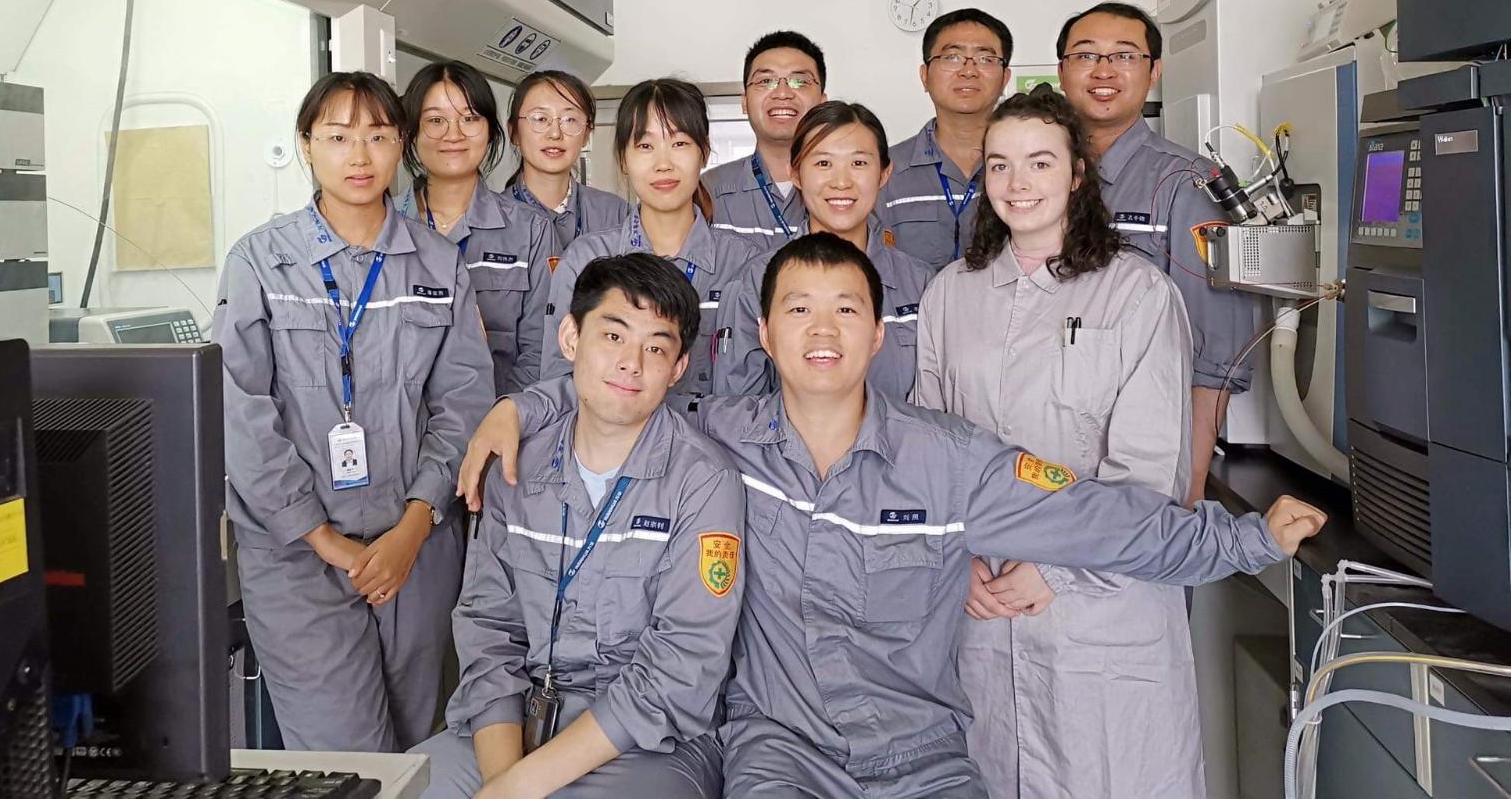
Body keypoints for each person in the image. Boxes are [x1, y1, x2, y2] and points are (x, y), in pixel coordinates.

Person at [462, 234, 1328, 797]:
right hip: (780, 757)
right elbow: (618, 393)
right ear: (764, 334)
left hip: (926, 763)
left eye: (848, 309)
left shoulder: (952, 461)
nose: (823, 330)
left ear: (880, 335)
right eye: (799, 309)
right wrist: (521, 410)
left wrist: (1247, 537)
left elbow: (1105, 520)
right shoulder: (716, 442)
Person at [915, 87, 1204, 798]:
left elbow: (1150, 472)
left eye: (1040, 163)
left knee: (1111, 775)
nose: (1019, 185)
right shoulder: (951, 294)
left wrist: (1056, 572)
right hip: (981, 606)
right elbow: (927, 449)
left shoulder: (1136, 294)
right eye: (1000, 166)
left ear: (1078, 173)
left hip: (1099, 611)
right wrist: (958, 565)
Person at [214, 71, 496, 752]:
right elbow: (238, 410)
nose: (360, 155)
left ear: (401, 147)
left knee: (419, 746)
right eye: (338, 137)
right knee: (348, 759)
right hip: (299, 558)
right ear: (307, 147)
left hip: (416, 549)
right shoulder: (261, 261)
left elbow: (463, 403)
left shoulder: (436, 264)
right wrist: (321, 538)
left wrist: (414, 526)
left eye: (377, 136)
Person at [412, 255, 745, 798]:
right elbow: (487, 631)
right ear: (571, 337)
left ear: (679, 367)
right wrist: (503, 781)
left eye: (656, 347)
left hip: (645, 744)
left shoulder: (704, 482)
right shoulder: (514, 467)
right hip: (514, 725)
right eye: (612, 336)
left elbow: (679, 668)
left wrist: (521, 788)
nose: (631, 363)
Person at [1055, 2, 1260, 504]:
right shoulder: (1036, 174)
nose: (1103, 71)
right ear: (1061, 71)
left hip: (1145, 447)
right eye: (1086, 56)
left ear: (1154, 72)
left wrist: (1186, 488)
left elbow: (1216, 356)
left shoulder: (1187, 184)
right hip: (1050, 440)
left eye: (1123, 56)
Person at [543, 79, 758, 406]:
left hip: (717, 451)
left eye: (680, 143)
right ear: (624, 160)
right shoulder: (586, 259)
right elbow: (558, 384)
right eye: (645, 146)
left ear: (704, 152)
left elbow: (757, 394)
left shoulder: (744, 264)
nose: (663, 163)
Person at [712, 100, 935, 401]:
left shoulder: (921, 284)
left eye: (858, 163)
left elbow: (934, 405)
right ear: (796, 174)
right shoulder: (755, 282)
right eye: (823, 163)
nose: (841, 182)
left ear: (884, 174)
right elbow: (737, 409)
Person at [396, 60, 556, 397]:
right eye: (436, 120)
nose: (453, 134)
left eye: (469, 119)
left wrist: (505, 417)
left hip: (499, 427)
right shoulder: (385, 226)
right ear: (411, 132)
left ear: (491, 131)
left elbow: (541, 350)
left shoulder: (531, 230)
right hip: (404, 434)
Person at [878, 9, 1014, 269]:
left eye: (985, 59)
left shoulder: (1031, 169)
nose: (969, 71)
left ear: (1005, 78)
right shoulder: (886, 171)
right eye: (952, 57)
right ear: (924, 76)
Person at [702, 31, 827, 248]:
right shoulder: (708, 190)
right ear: (744, 102)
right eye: (765, 81)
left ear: (823, 102)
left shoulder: (848, 186)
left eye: (799, 81)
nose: (782, 93)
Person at [503, 69, 630, 251]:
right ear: (513, 131)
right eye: (540, 118)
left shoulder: (615, 215)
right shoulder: (490, 218)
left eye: (569, 119)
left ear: (587, 133)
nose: (555, 133)